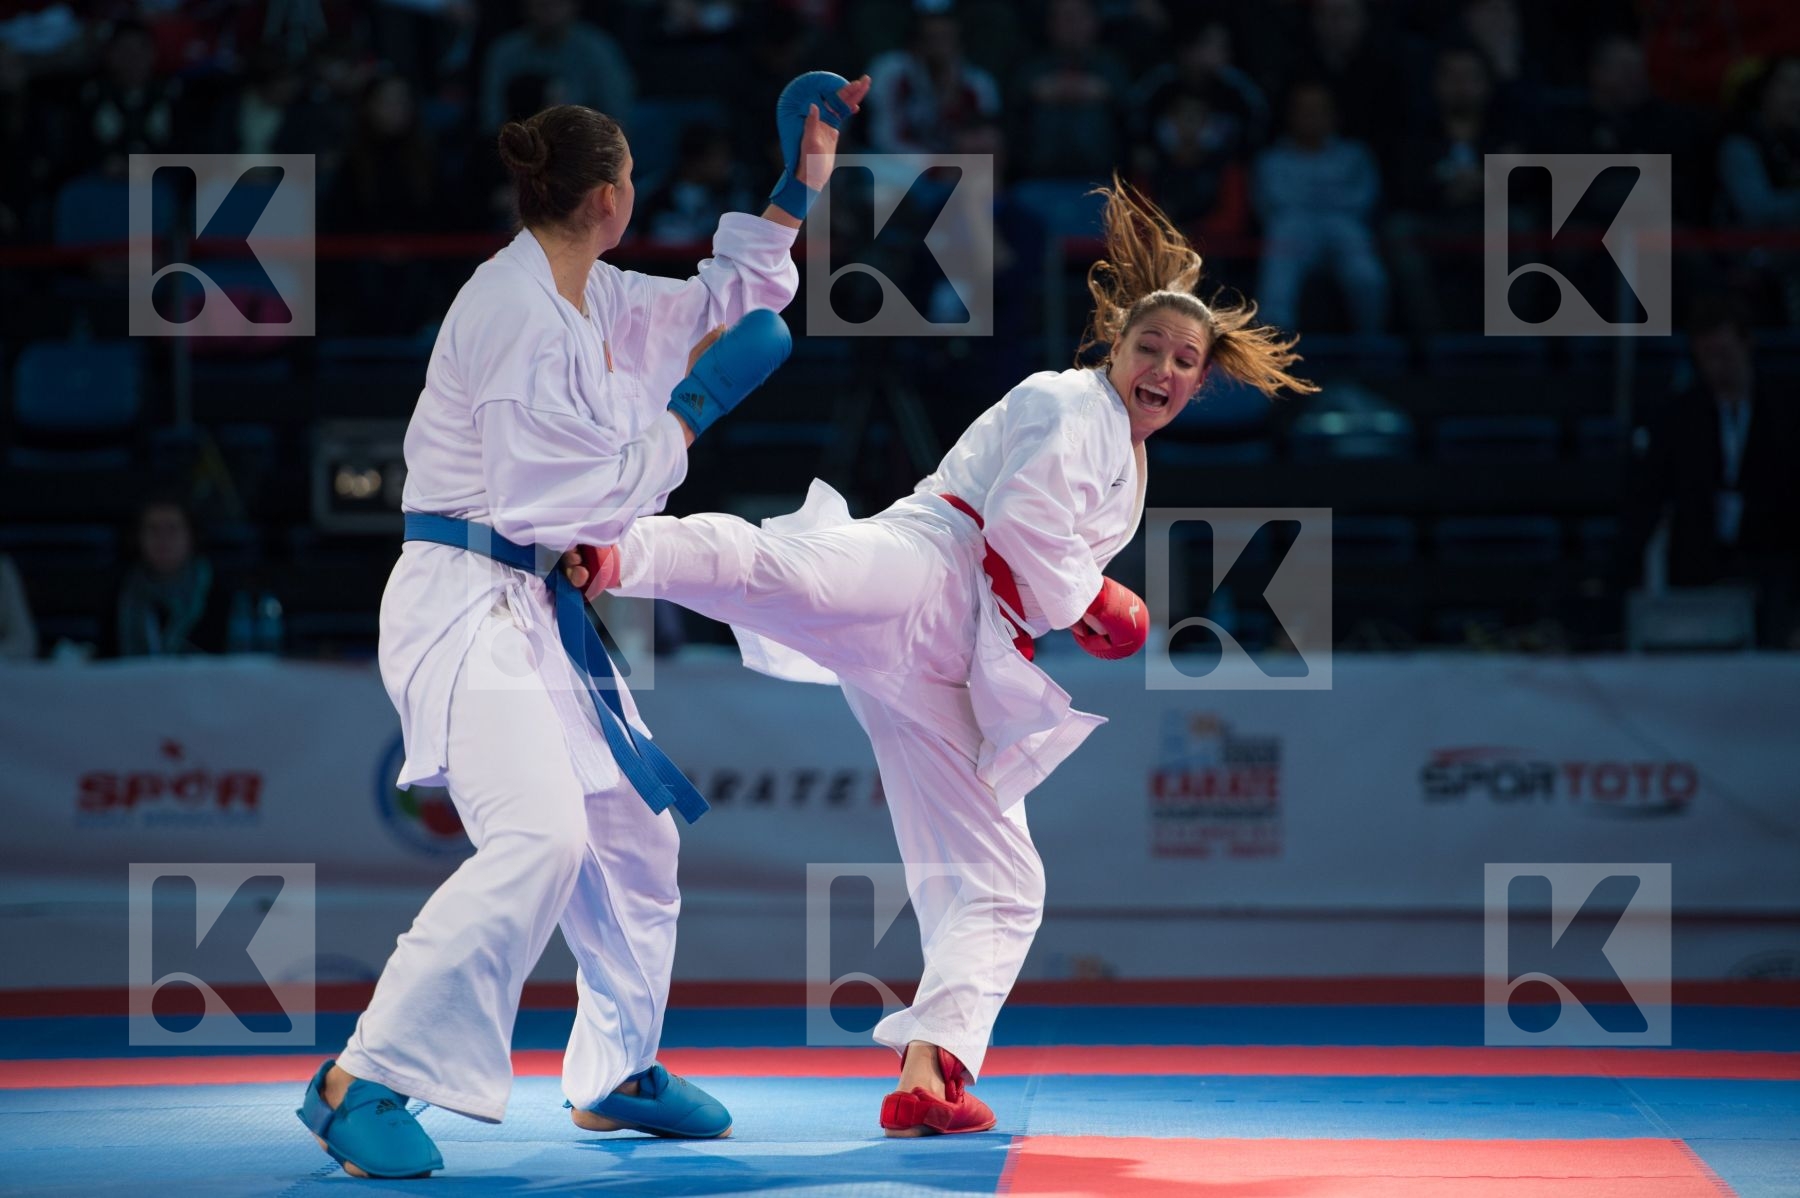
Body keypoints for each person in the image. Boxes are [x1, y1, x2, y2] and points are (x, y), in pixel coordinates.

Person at [564, 177, 1317, 1136]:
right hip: (928, 562)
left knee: (1006, 880)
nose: (1163, 369)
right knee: (780, 568)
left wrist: (1080, 604)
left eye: (1184, 360)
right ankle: (613, 551)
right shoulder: (1067, 400)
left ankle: (931, 1070)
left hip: (963, 653)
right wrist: (1095, 603)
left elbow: (1045, 565)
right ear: (1113, 349)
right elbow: (1023, 525)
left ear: (1201, 382)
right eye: (1149, 348)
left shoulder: (1128, 462)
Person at [295, 74, 870, 1179]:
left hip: (531, 607)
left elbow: (722, 309)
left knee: (634, 839)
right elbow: (544, 503)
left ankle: (614, 1069)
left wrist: (799, 185)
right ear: (611, 196)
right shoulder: (511, 312)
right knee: (541, 839)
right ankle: (360, 1075)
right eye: (635, 182)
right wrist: (690, 415)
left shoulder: (591, 295)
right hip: (465, 600)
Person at [1622, 297, 1800, 646]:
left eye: (1724, 354)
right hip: (1700, 566)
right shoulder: (1679, 417)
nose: (1716, 366)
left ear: (1747, 345)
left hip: (1773, 561)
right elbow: (1647, 498)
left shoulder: (1787, 412)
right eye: (1706, 356)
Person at [106, 496, 231, 658]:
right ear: (138, 537)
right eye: (153, 529)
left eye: (172, 529)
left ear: (191, 536)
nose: (163, 540)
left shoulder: (218, 591)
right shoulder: (120, 591)